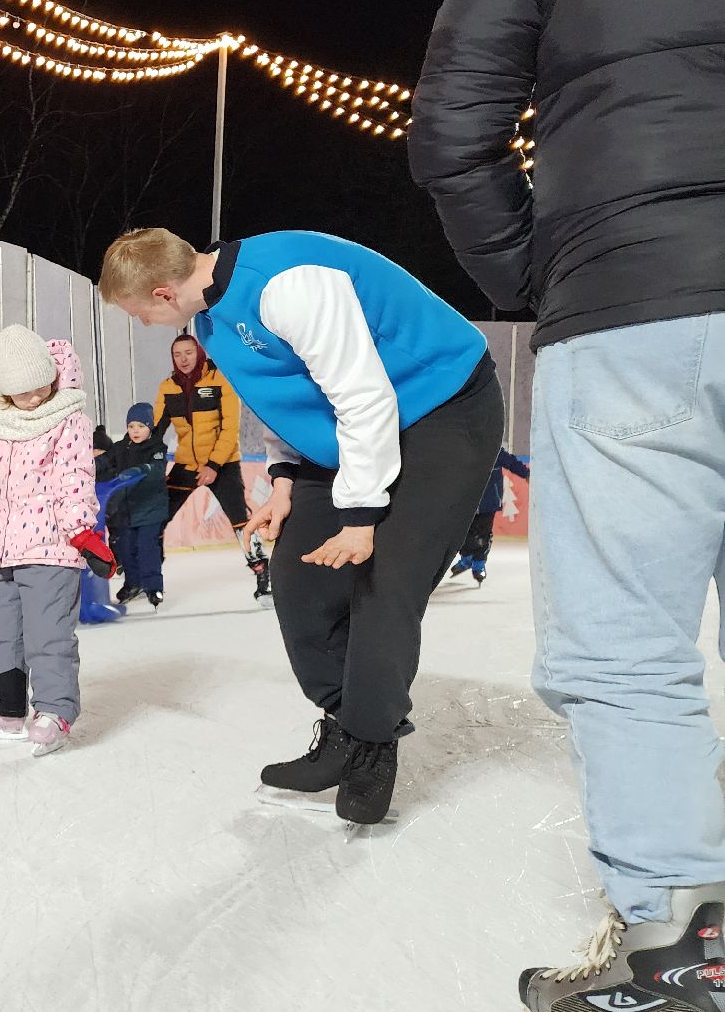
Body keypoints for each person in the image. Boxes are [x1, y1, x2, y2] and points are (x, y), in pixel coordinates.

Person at [411, 0, 725, 1012]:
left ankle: (687, 960)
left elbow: (455, 132)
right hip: (628, 285)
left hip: (634, 300)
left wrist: (551, 279)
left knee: (627, 643)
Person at [100, 227, 503, 824]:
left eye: (137, 314)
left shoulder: (288, 287)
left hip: (441, 405)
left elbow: (362, 396)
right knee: (298, 580)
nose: (143, 326)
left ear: (162, 293)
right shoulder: (210, 321)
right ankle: (346, 724)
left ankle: (371, 745)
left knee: (383, 584)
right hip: (352, 428)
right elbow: (287, 398)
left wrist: (362, 516)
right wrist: (285, 480)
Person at [0, 326, 115, 755]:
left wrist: (83, 533)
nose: (33, 398)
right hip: (2, 551)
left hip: (52, 550)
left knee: (47, 636)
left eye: (40, 388)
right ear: (4, 389)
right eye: (22, 392)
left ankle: (54, 709)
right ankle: (5, 706)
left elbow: (74, 481)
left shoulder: (70, 421)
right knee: (1, 632)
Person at [152, 333, 273, 607]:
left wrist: (214, 465)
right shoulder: (167, 387)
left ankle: (262, 575)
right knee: (154, 519)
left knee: (241, 522)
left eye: (188, 353)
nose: (183, 359)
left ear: (199, 353)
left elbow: (231, 429)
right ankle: (148, 579)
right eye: (177, 354)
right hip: (186, 464)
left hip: (223, 464)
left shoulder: (220, 380)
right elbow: (155, 430)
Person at [94, 403, 170, 609]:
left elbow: (156, 469)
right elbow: (104, 461)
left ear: (150, 427)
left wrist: (141, 469)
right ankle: (133, 583)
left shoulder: (157, 448)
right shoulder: (120, 448)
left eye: (141, 426)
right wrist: (89, 465)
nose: (135, 431)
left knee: (146, 549)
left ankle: (153, 586)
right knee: (126, 549)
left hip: (150, 511)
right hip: (126, 511)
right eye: (131, 426)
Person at [447, 448, 528, 586]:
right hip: (466, 502)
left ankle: (478, 565)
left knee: (483, 535)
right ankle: (466, 559)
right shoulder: (463, 448)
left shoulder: (494, 449)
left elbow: (511, 462)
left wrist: (527, 474)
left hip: (488, 501)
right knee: (462, 534)